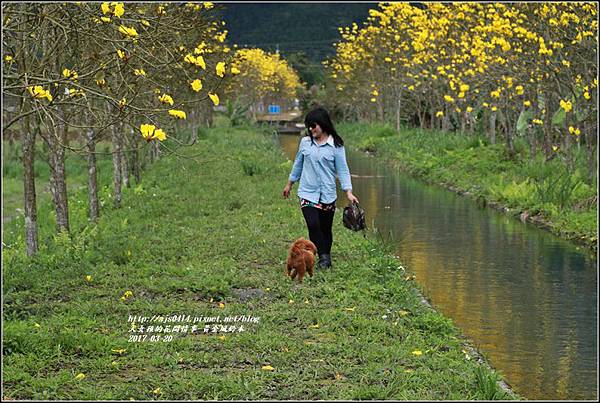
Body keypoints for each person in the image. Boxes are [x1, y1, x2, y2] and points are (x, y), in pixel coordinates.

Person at [282, 107, 359, 269]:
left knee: (325, 228)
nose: (311, 129)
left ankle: (325, 255)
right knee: (313, 225)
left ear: (323, 124)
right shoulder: (305, 143)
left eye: (314, 126)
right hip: (307, 192)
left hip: (327, 194)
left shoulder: (336, 145)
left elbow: (343, 170)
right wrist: (290, 183)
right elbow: (298, 164)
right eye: (309, 127)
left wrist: (348, 192)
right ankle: (324, 257)